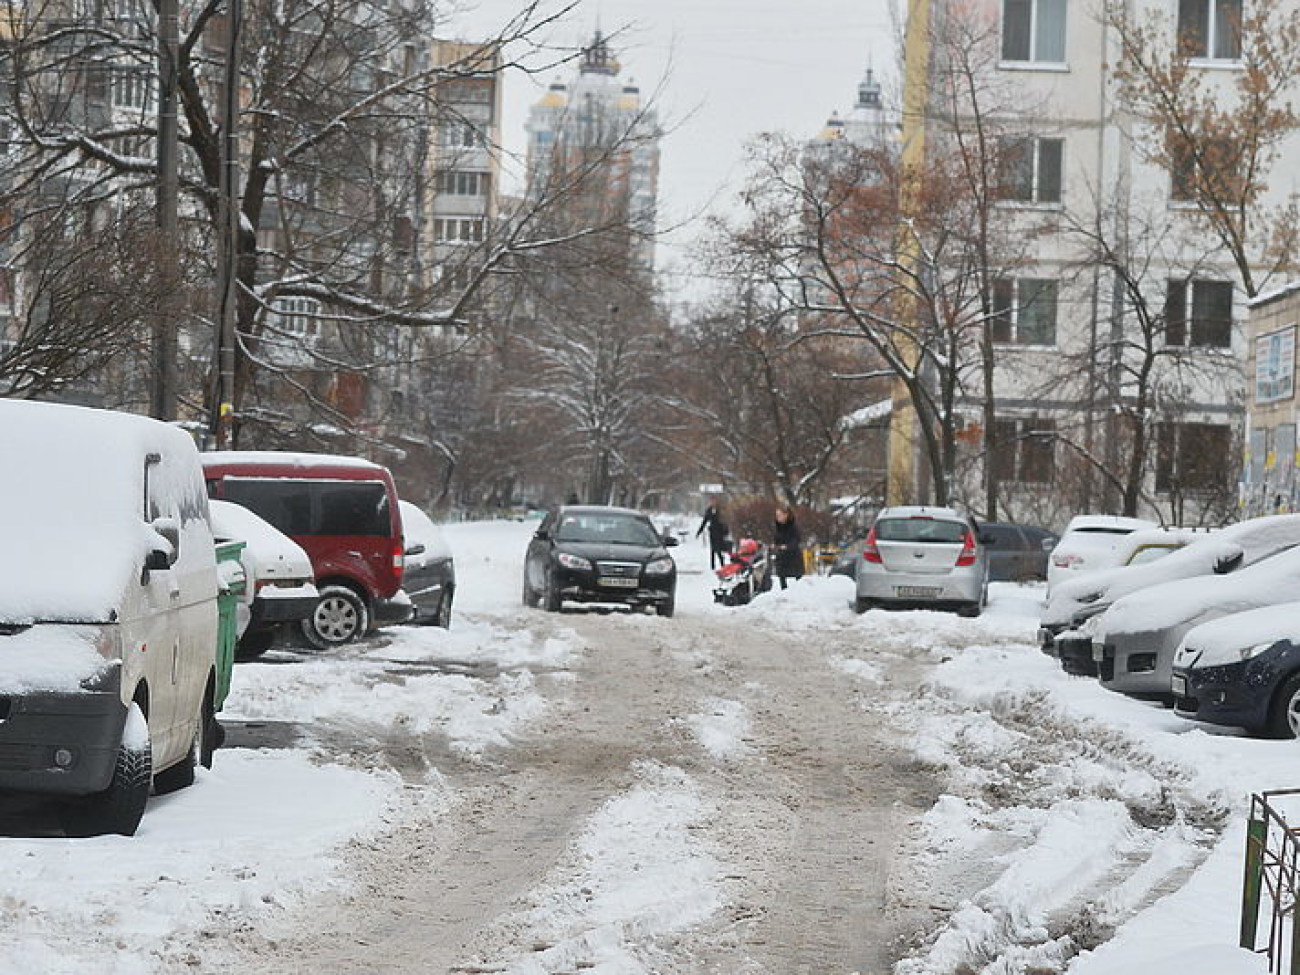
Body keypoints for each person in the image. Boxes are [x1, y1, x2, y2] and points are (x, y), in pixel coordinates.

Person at [772, 504, 804, 589]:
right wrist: (776, 547)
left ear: (786, 515)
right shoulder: (777, 528)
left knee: (797, 578)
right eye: (777, 515)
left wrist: (787, 546)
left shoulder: (793, 527)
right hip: (781, 557)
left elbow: (796, 540)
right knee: (782, 577)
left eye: (780, 515)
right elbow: (776, 540)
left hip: (793, 556)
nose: (778, 517)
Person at [697, 499, 731, 569]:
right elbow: (705, 521)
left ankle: (722, 563)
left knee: (718, 549)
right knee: (712, 549)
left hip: (720, 532)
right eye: (711, 502)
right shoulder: (709, 510)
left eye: (714, 501)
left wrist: (726, 531)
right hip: (712, 532)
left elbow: (725, 521)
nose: (712, 503)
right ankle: (712, 565)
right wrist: (699, 531)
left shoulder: (720, 510)